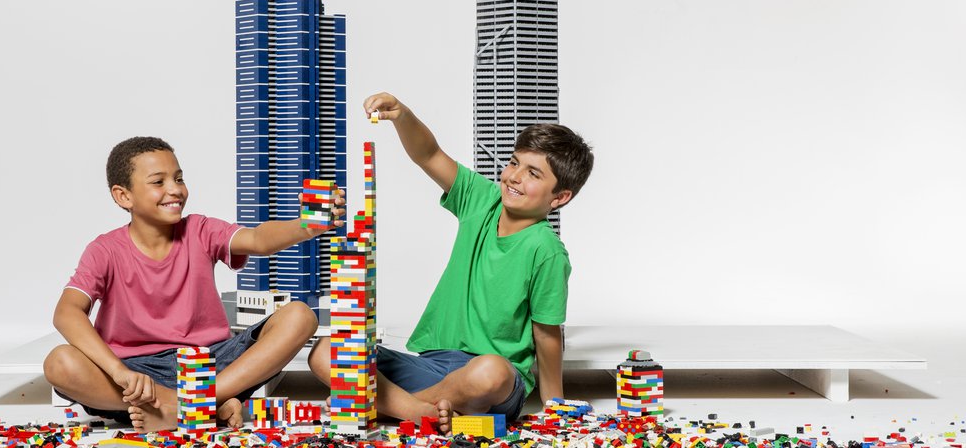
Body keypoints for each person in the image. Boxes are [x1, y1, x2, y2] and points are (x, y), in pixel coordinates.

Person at [309, 93, 593, 431]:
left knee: (491, 371)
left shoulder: (547, 250)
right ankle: (418, 411)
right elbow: (428, 154)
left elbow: (546, 333)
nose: (515, 176)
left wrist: (553, 405)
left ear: (559, 197)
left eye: (533, 173)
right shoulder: (481, 200)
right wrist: (403, 116)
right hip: (432, 363)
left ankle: (390, 408)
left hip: (493, 378)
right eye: (514, 163)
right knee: (326, 350)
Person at [44, 136, 343, 432]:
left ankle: (187, 407)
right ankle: (206, 405)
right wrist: (119, 372)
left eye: (179, 178)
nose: (175, 189)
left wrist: (307, 226)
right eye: (158, 182)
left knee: (300, 315)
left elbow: (258, 239)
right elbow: (67, 312)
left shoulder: (201, 230)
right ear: (124, 196)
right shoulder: (105, 249)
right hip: (138, 374)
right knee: (59, 363)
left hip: (212, 362)